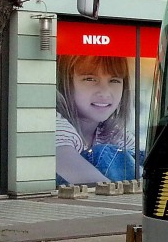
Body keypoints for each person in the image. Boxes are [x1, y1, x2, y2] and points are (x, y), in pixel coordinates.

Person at [55, 54, 138, 185]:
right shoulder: (54, 125)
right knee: (105, 154)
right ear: (64, 82)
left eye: (114, 80)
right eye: (90, 79)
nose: (105, 92)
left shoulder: (115, 134)